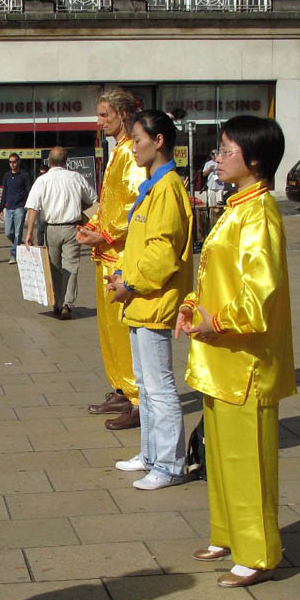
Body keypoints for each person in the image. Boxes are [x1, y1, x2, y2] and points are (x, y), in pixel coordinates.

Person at [176, 116, 295, 588]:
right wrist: (192, 305)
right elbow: (215, 275)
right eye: (220, 150)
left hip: (245, 359)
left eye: (228, 151)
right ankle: (227, 534)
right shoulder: (235, 206)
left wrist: (218, 321)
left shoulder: (259, 212)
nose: (219, 158)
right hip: (218, 357)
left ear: (256, 160)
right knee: (222, 455)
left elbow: (260, 291)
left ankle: (259, 551)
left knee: (249, 460)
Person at [105, 111, 193, 491]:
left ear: (159, 141)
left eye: (139, 139)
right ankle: (151, 453)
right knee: (146, 385)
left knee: (159, 387)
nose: (134, 147)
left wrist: (131, 283)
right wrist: (122, 276)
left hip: (153, 300)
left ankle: (170, 464)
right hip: (140, 300)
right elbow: (141, 246)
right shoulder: (154, 187)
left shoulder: (167, 188)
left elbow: (162, 254)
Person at [77, 87, 145, 431]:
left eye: (105, 114)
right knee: (109, 327)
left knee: (122, 326)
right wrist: (93, 226)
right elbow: (110, 203)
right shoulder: (118, 151)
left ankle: (137, 397)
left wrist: (105, 233)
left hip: (120, 255)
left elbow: (134, 204)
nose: (100, 121)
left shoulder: (131, 153)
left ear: (122, 114)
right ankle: (120, 386)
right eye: (100, 114)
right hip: (107, 252)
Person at [23, 146, 97, 319]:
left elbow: (33, 207)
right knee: (71, 266)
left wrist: (29, 232)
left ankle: (56, 302)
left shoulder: (42, 180)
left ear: (49, 161)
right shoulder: (76, 177)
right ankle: (67, 304)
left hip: (51, 229)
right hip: (72, 227)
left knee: (54, 267)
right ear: (66, 161)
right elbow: (93, 199)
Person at [0, 152, 32, 264]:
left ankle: (14, 254)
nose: (12, 164)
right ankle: (18, 244)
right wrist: (1, 208)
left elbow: (29, 190)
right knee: (8, 232)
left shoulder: (24, 175)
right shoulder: (7, 176)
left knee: (18, 232)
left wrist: (29, 205)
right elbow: (4, 191)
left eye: (14, 162)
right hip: (9, 207)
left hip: (20, 207)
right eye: (10, 162)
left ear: (18, 162)